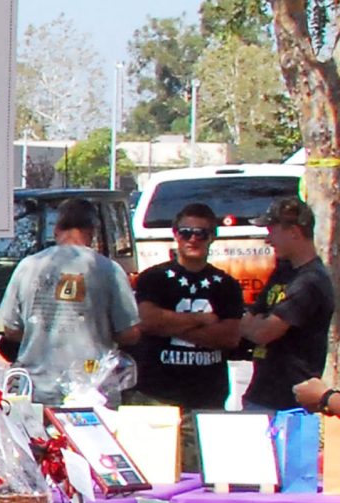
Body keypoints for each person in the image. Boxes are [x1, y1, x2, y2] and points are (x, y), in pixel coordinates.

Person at [129, 201, 248, 472]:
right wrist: (201, 320)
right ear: (175, 234)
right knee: (154, 476)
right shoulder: (153, 279)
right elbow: (148, 321)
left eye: (201, 233)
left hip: (205, 399)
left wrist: (171, 324)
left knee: (200, 478)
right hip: (156, 396)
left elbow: (229, 337)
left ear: (212, 237)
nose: (193, 238)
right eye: (186, 232)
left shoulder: (226, 285)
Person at [0, 196, 143, 401]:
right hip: (91, 390)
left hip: (36, 388)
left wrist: (42, 333)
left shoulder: (27, 266)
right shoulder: (108, 269)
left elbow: (11, 330)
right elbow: (129, 333)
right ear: (92, 231)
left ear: (56, 229)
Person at [239, 197, 335, 410]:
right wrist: (256, 323)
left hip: (290, 402)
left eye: (272, 230)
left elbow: (264, 332)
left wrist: (258, 324)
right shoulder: (283, 271)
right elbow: (248, 320)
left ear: (294, 231)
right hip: (260, 393)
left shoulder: (311, 281)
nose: (268, 239)